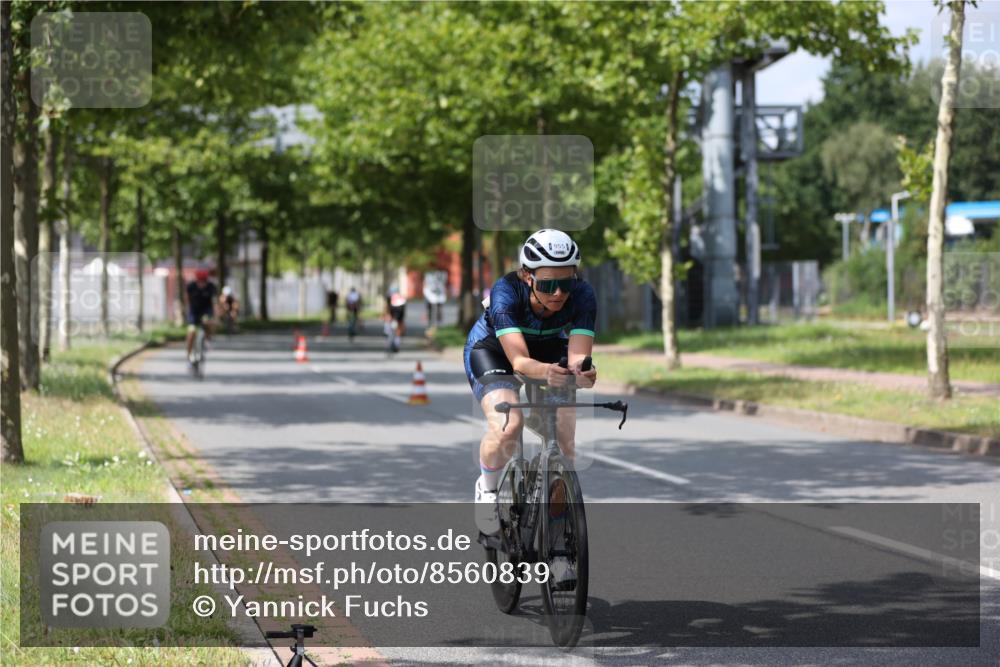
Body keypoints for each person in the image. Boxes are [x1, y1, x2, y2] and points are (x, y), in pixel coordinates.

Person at [464, 229, 597, 540]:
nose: (559, 294)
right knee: (509, 425)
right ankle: (487, 488)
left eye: (566, 284)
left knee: (565, 443)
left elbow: (578, 355)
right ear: (526, 276)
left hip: (549, 347)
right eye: (548, 285)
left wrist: (580, 373)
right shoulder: (505, 291)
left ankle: (558, 544)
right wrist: (547, 373)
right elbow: (520, 362)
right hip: (495, 350)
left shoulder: (583, 294)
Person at [186, 269, 218, 364]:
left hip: (206, 310)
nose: (202, 283)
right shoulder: (191, 286)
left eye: (204, 281)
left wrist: (216, 314)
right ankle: (189, 355)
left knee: (209, 322)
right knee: (191, 332)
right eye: (200, 281)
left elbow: (215, 301)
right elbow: (187, 298)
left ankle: (207, 339)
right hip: (194, 311)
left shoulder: (211, 286)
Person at [384, 286, 407, 352]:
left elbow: (388, 308)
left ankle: (393, 343)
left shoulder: (390, 297)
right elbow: (403, 310)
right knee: (397, 332)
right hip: (397, 317)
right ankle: (396, 344)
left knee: (392, 331)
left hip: (395, 316)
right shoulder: (401, 298)